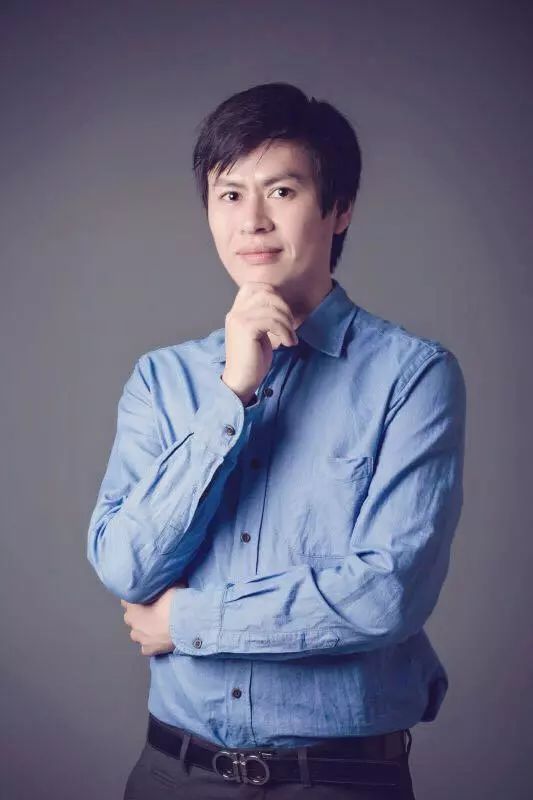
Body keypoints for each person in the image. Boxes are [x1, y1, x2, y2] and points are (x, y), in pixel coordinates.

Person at [86, 82, 466, 799]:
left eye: (282, 191)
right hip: (172, 775)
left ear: (340, 207)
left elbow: (385, 594)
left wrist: (188, 620)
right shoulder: (163, 380)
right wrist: (230, 394)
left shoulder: (412, 376)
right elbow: (126, 567)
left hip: (339, 781)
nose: (252, 221)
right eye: (229, 195)